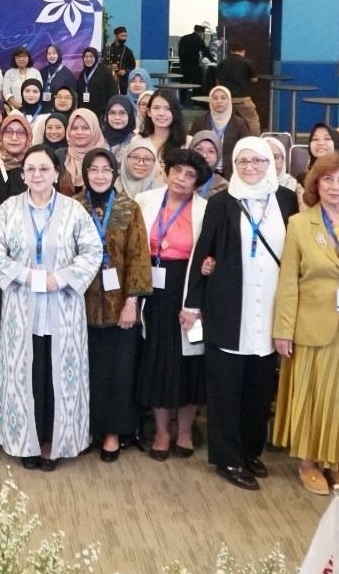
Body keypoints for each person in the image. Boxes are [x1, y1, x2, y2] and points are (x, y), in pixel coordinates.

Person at [183, 137, 301, 491]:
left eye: (258, 161)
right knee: (225, 389)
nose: (250, 167)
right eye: (243, 161)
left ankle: (250, 451)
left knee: (259, 388)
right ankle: (227, 457)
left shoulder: (287, 199)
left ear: (270, 163)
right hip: (228, 307)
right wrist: (192, 303)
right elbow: (202, 255)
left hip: (272, 308)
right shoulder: (221, 203)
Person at [0, 145, 103, 471]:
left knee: (56, 378)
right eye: (31, 169)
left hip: (63, 308)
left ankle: (54, 442)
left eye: (44, 169)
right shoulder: (8, 209)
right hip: (22, 309)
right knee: (27, 377)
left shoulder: (74, 211)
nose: (37, 175)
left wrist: (59, 279)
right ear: (23, 175)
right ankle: (26, 441)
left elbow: (92, 251)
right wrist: (24, 275)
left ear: (56, 173)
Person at [271, 152, 339, 497]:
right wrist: (283, 329)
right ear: (316, 184)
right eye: (328, 179)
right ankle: (308, 463)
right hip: (311, 324)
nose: (335, 187)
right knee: (312, 396)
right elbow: (288, 281)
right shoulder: (300, 224)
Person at [74, 147, 151, 461]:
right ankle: (87, 429)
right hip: (80, 305)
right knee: (85, 370)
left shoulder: (128, 208)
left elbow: (139, 257)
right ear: (85, 173)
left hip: (120, 306)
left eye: (106, 169)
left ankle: (112, 434)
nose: (100, 175)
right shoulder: (73, 206)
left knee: (118, 372)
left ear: (115, 173)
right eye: (93, 169)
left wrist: (132, 302)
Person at [133, 147, 210, 461]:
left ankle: (185, 430)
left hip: (188, 289)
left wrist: (197, 303)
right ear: (167, 172)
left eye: (190, 175)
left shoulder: (205, 209)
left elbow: (209, 255)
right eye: (177, 170)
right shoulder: (145, 201)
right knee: (158, 360)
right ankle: (163, 431)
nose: (181, 178)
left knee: (190, 361)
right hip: (153, 290)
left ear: (197, 182)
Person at [198, 86, 251, 175]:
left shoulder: (239, 123)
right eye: (215, 98)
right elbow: (193, 145)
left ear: (229, 100)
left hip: (231, 172)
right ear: (210, 101)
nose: (219, 101)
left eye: (223, 98)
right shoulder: (201, 121)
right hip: (204, 171)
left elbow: (246, 148)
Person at [57, 109, 108, 194]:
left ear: (94, 129)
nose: (79, 132)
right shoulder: (60, 156)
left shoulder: (105, 157)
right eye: (74, 128)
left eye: (85, 128)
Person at [214, 44, 261, 133]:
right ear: (243, 51)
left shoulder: (222, 63)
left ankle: (224, 138)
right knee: (252, 120)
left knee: (226, 121)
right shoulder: (248, 62)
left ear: (231, 51)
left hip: (226, 99)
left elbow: (218, 81)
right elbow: (254, 79)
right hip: (243, 98)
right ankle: (255, 139)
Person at [140, 91, 188, 156]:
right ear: (149, 112)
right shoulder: (139, 140)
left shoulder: (188, 142)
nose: (161, 113)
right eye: (156, 108)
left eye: (168, 108)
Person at [36, 44, 76, 112]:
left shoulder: (67, 74)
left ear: (59, 54)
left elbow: (72, 96)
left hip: (59, 111)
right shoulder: (42, 71)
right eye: (49, 54)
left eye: (54, 53)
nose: (51, 56)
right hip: (41, 110)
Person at [188, 132, 229, 198]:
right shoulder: (178, 177)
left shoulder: (223, 187)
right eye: (199, 149)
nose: (204, 155)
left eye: (211, 151)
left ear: (218, 156)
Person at [177, 24, 212, 94]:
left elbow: (179, 52)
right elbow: (205, 52)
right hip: (194, 67)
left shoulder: (183, 38)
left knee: (183, 86)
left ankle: (182, 99)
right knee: (197, 86)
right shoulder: (198, 39)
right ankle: (196, 99)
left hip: (184, 67)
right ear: (200, 32)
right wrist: (213, 60)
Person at [104, 26, 137, 95]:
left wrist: (125, 71)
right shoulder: (107, 49)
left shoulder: (128, 51)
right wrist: (109, 67)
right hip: (108, 79)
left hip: (123, 81)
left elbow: (132, 65)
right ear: (116, 36)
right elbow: (101, 64)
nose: (124, 38)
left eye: (125, 36)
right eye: (122, 36)